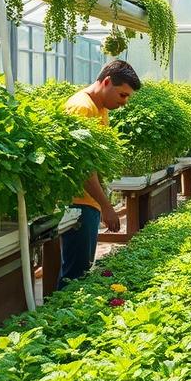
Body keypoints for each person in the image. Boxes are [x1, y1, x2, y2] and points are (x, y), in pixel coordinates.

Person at [59, 60, 141, 286]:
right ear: (106, 82)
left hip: (88, 202)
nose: (124, 102)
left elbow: (95, 161)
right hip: (77, 202)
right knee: (75, 275)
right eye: (123, 95)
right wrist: (106, 206)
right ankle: (64, 318)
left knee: (81, 269)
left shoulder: (100, 108)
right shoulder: (82, 108)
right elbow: (83, 168)